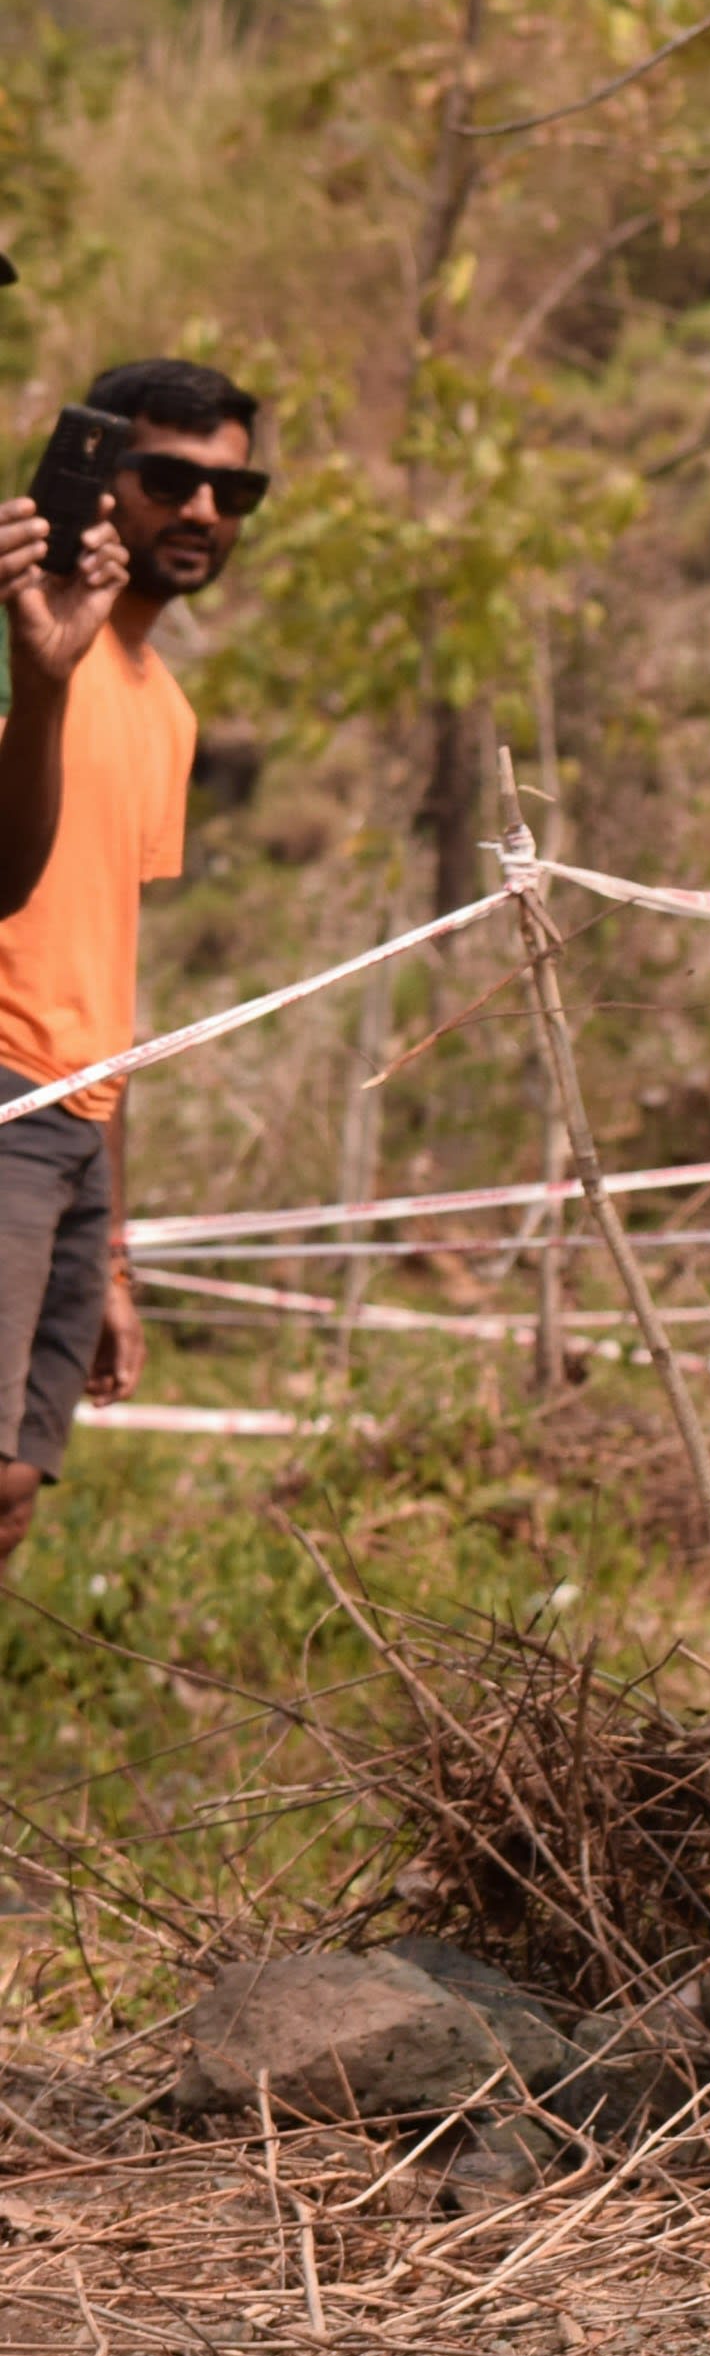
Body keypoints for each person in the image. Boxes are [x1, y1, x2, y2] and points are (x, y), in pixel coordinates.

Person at [0, 356, 266, 1576]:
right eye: (173, 478)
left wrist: (111, 1249)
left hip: (77, 1123)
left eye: (234, 491)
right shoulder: (18, 638)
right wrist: (42, 678)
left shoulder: (166, 708)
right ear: (100, 473)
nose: (205, 511)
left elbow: (111, 965)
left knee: (14, 1490)